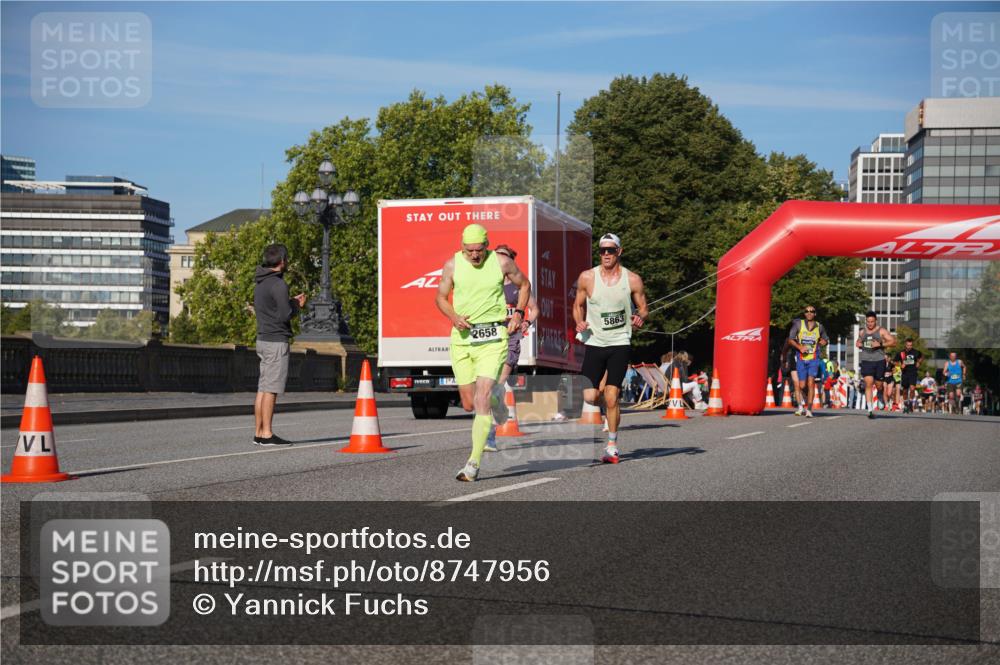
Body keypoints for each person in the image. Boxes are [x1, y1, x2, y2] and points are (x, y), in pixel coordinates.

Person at [436, 224, 530, 482]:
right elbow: (441, 297)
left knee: (482, 397)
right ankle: (497, 400)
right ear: (462, 247)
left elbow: (525, 285)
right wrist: (453, 316)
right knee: (468, 403)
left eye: (479, 250)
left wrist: (519, 314)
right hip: (463, 339)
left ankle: (473, 464)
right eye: (469, 251)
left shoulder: (501, 263)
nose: (475, 255)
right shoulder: (452, 265)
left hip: (493, 338)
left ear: (487, 245)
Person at [574, 232, 648, 464]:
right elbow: (577, 305)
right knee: (590, 395)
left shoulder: (633, 280)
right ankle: (610, 405)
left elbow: (643, 307)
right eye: (602, 250)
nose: (606, 254)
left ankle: (612, 446)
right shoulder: (587, 277)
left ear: (619, 251)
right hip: (595, 342)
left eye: (610, 250)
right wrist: (579, 321)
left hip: (619, 342)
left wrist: (639, 317)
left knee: (612, 396)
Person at [484, 244, 538, 452]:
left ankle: (489, 437)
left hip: (511, 340)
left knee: (496, 386)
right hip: (489, 340)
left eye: (503, 257)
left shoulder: (517, 286)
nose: (499, 260)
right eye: (496, 256)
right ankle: (493, 422)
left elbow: (534, 309)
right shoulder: (488, 284)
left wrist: (526, 322)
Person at [253, 243, 307, 446]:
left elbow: (274, 308)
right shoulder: (279, 284)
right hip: (276, 341)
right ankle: (267, 433)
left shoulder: (260, 283)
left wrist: (288, 301)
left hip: (263, 339)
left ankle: (258, 432)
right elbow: (285, 315)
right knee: (271, 389)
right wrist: (296, 305)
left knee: (262, 388)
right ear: (282, 261)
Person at [787, 305, 829, 418]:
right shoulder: (798, 324)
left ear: (815, 314)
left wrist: (825, 342)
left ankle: (809, 409)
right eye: (807, 311)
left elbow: (825, 338)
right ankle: (806, 403)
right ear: (804, 313)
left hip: (814, 359)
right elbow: (790, 339)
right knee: (801, 385)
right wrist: (800, 347)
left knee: (811, 383)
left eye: (812, 311)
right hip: (801, 359)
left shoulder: (819, 326)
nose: (809, 313)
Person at [855, 311, 895, 419]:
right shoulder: (862, 332)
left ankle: (880, 394)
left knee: (879, 385)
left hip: (879, 360)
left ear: (876, 321)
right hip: (866, 360)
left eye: (872, 321)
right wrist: (858, 343)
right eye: (868, 322)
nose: (870, 324)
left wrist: (880, 344)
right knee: (868, 383)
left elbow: (893, 341)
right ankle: (870, 410)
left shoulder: (881, 331)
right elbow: (858, 342)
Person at [897, 339, 923, 413]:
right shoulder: (901, 353)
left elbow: (921, 356)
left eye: (911, 345)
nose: (909, 347)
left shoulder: (916, 352)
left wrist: (919, 362)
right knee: (905, 390)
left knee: (912, 388)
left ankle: (910, 402)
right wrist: (900, 365)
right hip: (905, 373)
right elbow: (894, 361)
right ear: (905, 345)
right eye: (908, 345)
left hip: (913, 373)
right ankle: (905, 404)